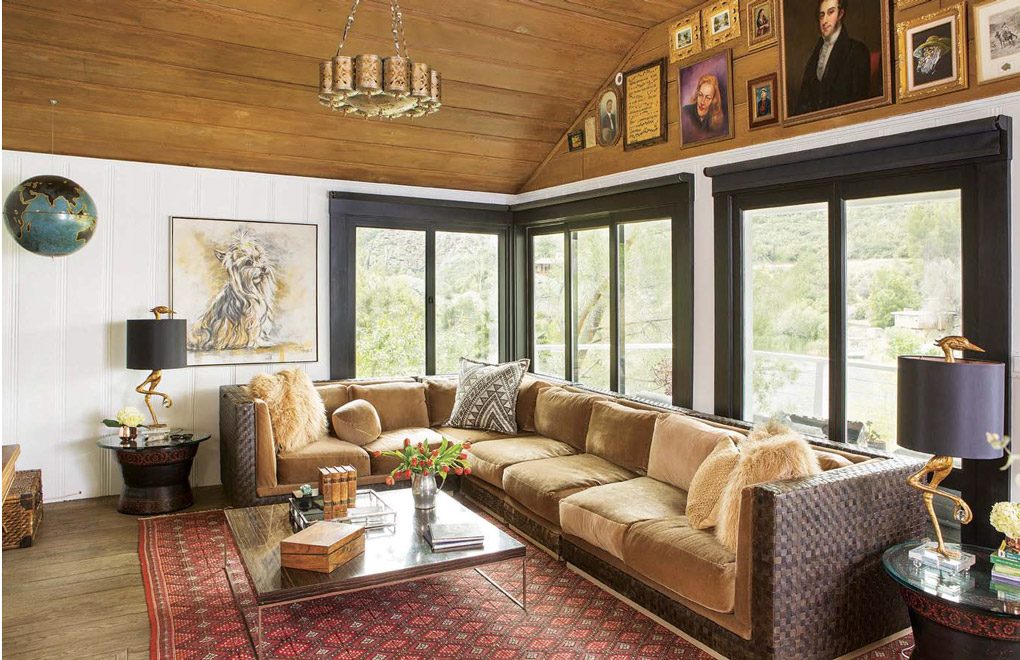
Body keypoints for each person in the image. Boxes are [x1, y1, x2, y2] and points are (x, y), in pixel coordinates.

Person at [795, 0, 870, 115]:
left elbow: (859, 101)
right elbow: (803, 100)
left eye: (830, 12)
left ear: (840, 14)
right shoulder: (815, 55)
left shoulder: (857, 51)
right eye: (822, 15)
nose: (824, 21)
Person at [681, 74, 726, 143]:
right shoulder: (685, 112)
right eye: (700, 95)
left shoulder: (716, 118)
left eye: (708, 98)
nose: (702, 102)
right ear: (697, 93)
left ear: (713, 99)